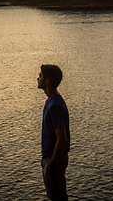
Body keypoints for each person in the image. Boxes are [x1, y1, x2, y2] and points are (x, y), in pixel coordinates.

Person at [37, 64, 70, 200]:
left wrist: (51, 163)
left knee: (57, 197)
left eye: (41, 76)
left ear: (48, 81)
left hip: (54, 160)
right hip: (52, 158)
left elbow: (61, 138)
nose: (37, 78)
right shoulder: (51, 101)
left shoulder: (55, 105)